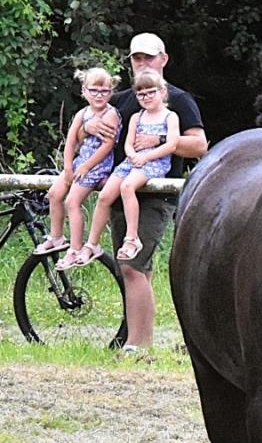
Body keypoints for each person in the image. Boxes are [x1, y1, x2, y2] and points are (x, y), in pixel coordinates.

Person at [83, 32, 210, 353]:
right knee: (136, 269)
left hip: (156, 193)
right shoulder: (123, 100)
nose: (141, 63)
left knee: (132, 266)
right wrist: (90, 127)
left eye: (148, 57)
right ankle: (137, 340)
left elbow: (200, 145)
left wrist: (164, 142)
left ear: (163, 60)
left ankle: (138, 346)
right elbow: (95, 126)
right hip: (121, 190)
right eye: (136, 58)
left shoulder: (178, 100)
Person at [82, 68, 181, 267]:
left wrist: (147, 157)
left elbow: (172, 144)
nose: (145, 97)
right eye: (140, 93)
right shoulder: (137, 117)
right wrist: (133, 155)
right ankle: (92, 244)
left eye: (150, 92)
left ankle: (132, 237)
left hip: (155, 163)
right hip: (133, 161)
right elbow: (128, 142)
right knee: (105, 195)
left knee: (127, 187)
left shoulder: (170, 117)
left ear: (162, 92)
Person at [39, 67, 119, 264]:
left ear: (111, 92)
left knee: (72, 202)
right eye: (94, 90)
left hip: (97, 165)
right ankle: (56, 237)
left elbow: (108, 145)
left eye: (104, 91)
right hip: (79, 162)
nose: (99, 95)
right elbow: (71, 141)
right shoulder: (82, 114)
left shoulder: (111, 114)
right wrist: (68, 167)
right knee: (55, 194)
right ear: (84, 90)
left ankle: (75, 249)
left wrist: (86, 167)